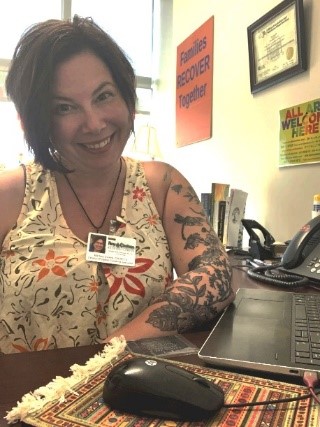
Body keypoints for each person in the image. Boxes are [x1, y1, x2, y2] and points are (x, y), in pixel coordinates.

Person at [0, 16, 234, 354]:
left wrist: (112, 350)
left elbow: (216, 276)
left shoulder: (163, 185)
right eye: (65, 107)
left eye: (104, 96)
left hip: (142, 389)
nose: (94, 124)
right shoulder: (11, 194)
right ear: (39, 121)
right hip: (31, 397)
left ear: (127, 98)